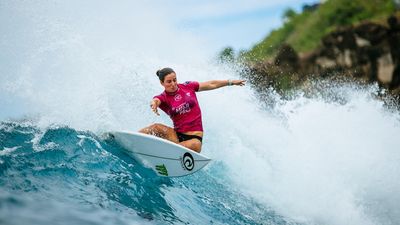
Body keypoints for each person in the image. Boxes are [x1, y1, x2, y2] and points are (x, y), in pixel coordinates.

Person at [139, 67, 245, 153]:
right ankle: (131, 140)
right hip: (176, 135)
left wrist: (230, 82)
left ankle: (166, 152)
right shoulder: (163, 97)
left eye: (175, 80)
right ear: (162, 83)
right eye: (169, 82)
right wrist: (154, 104)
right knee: (156, 127)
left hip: (194, 139)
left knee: (195, 145)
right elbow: (156, 100)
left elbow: (211, 84)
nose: (173, 84)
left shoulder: (188, 86)